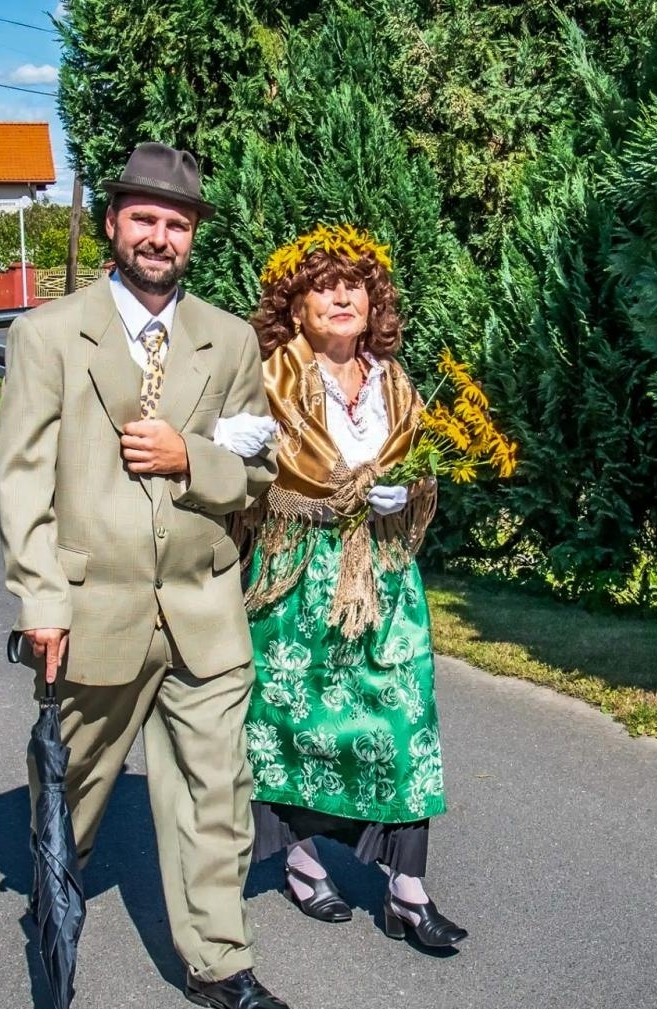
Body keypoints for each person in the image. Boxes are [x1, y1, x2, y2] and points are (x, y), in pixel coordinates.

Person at [0, 143, 289, 1009]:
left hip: (204, 607)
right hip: (93, 612)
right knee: (74, 784)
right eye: (145, 219)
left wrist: (187, 458)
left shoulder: (231, 341)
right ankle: (55, 886)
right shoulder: (47, 335)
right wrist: (42, 603)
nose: (160, 236)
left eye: (177, 223)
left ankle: (217, 961)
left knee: (215, 792)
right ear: (114, 224)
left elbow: (260, 469)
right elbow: (23, 479)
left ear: (192, 235)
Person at [238, 224, 467, 950]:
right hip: (297, 575)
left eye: (355, 285)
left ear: (376, 303)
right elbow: (247, 477)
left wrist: (409, 489)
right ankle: (302, 862)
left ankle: (407, 888)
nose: (342, 295)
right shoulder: (270, 376)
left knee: (403, 726)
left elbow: (421, 473)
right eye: (322, 287)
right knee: (296, 727)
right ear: (295, 307)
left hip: (387, 581)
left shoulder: (398, 384)